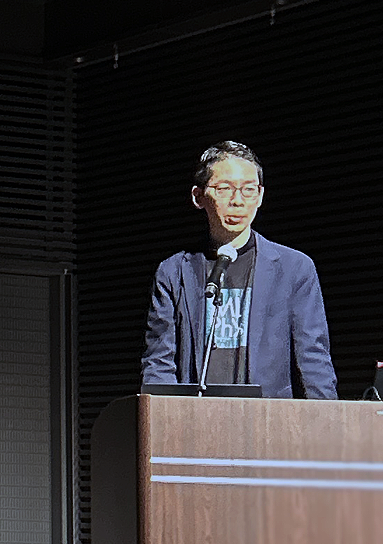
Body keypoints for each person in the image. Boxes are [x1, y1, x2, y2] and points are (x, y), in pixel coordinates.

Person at [140, 141, 336, 399]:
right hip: (195, 422)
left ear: (261, 196)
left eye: (248, 190)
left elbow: (313, 360)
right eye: (224, 189)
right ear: (198, 196)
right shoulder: (174, 272)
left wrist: (326, 429)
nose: (237, 201)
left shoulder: (294, 268)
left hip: (269, 423)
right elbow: (159, 362)